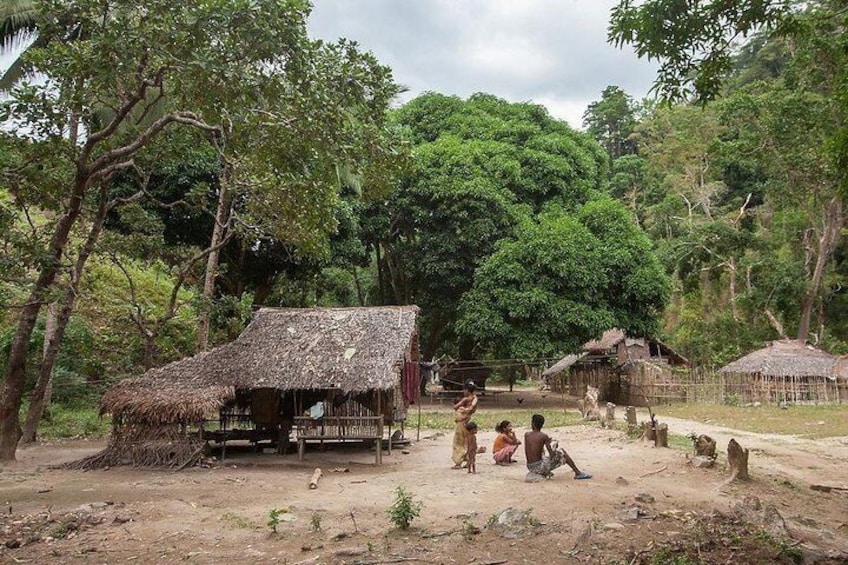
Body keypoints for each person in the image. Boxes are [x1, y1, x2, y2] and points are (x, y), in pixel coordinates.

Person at [524, 413, 592, 482]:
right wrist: (554, 447)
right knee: (562, 452)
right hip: (539, 467)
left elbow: (533, 448)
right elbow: (552, 455)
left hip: (530, 466)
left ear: (533, 423)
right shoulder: (543, 436)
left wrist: (546, 442)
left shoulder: (527, 435)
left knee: (543, 454)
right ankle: (577, 472)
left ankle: (544, 472)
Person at [451, 381, 479, 469]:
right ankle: (468, 460)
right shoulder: (475, 398)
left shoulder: (466, 399)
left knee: (459, 442)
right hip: (468, 421)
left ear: (467, 390)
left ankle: (458, 462)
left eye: (464, 390)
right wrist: (470, 408)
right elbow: (473, 405)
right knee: (467, 442)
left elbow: (455, 407)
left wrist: (462, 408)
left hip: (461, 422)